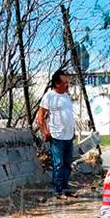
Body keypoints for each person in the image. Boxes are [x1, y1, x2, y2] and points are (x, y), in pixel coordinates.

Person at [36, 70, 76, 199]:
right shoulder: (49, 96)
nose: (67, 85)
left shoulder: (66, 96)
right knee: (58, 164)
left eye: (67, 82)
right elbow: (40, 117)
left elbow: (69, 116)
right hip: (57, 136)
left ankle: (66, 188)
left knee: (67, 164)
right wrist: (45, 131)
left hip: (68, 136)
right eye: (64, 82)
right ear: (57, 84)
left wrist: (73, 130)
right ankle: (58, 191)